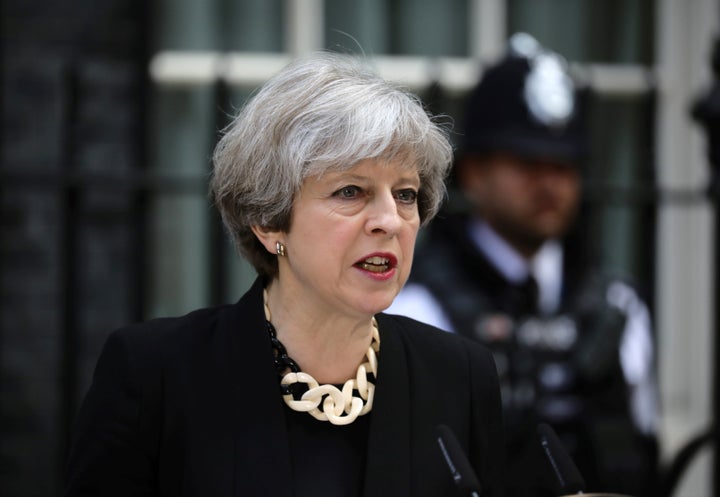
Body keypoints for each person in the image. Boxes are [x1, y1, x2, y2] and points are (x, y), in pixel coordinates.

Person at [62, 52, 505, 497]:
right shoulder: (154, 376)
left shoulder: (460, 377)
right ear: (269, 221)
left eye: (405, 194)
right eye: (351, 191)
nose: (389, 220)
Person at [388, 33, 659, 497]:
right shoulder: (415, 307)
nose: (550, 183)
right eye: (528, 162)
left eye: (564, 165)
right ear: (474, 171)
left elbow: (643, 451)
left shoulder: (618, 303)